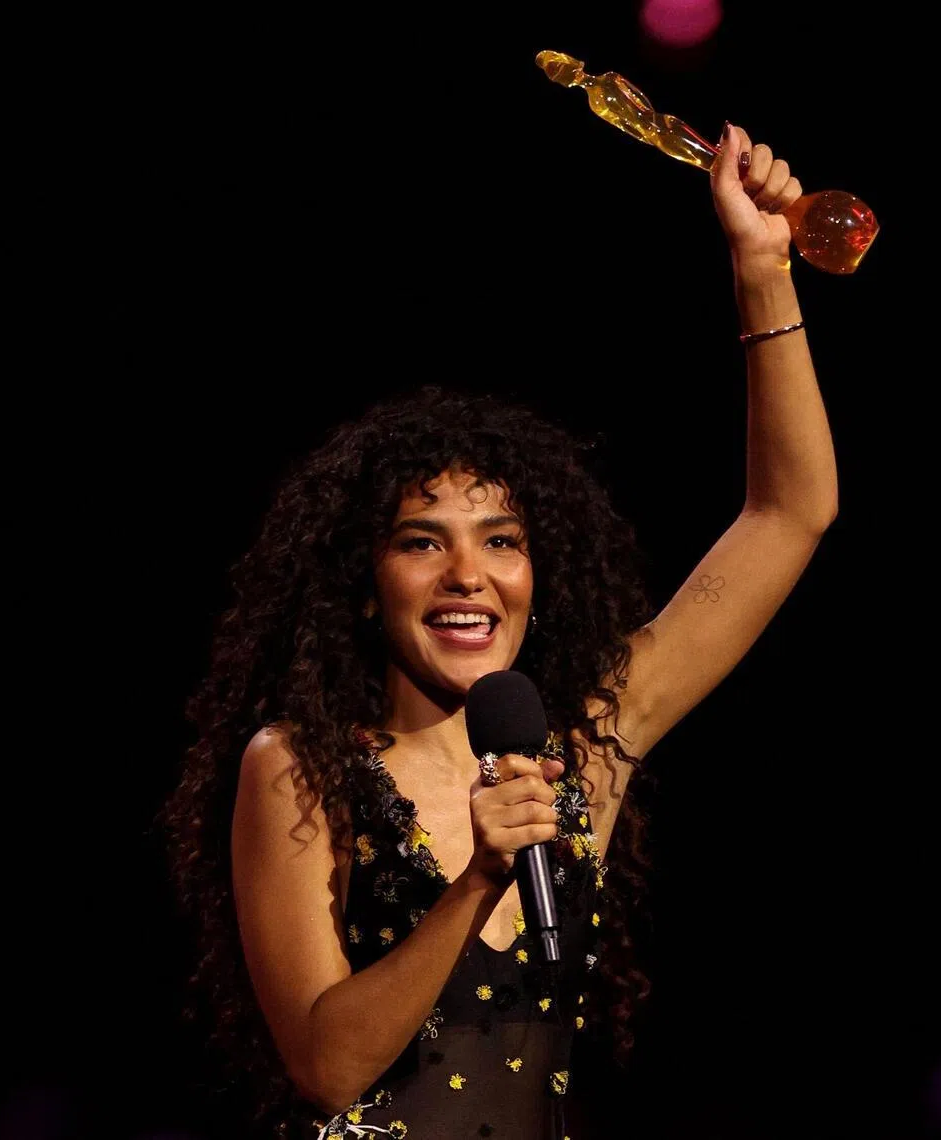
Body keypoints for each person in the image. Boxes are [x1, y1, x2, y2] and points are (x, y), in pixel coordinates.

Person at [164, 122, 838, 1139]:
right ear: (365, 586)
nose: (469, 575)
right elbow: (329, 1069)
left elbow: (790, 514)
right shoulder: (299, 767)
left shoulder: (588, 745)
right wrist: (479, 878)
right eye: (422, 543)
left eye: (502, 541)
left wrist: (762, 269)